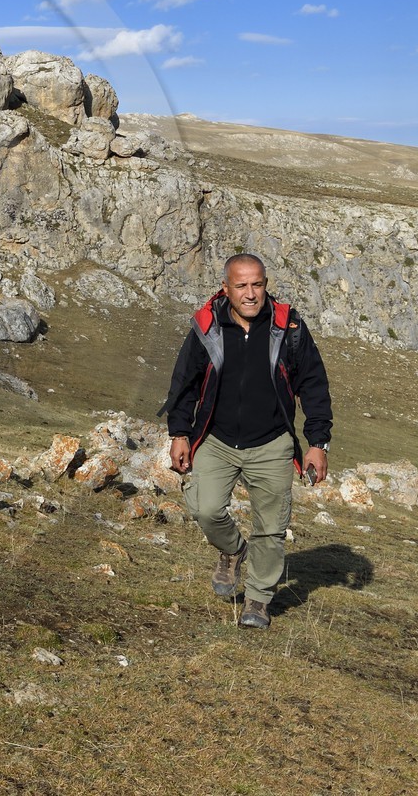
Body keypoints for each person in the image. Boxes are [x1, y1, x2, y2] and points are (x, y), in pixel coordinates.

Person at [159, 254, 333, 629]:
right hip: (217, 440)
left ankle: (257, 600)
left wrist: (318, 442)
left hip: (272, 444)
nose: (250, 294)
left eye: (257, 284)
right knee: (205, 509)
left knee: (270, 528)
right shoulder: (207, 327)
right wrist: (180, 434)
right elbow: (184, 385)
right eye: (241, 286)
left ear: (266, 285)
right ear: (226, 289)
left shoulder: (289, 328)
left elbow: (314, 386)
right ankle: (233, 550)